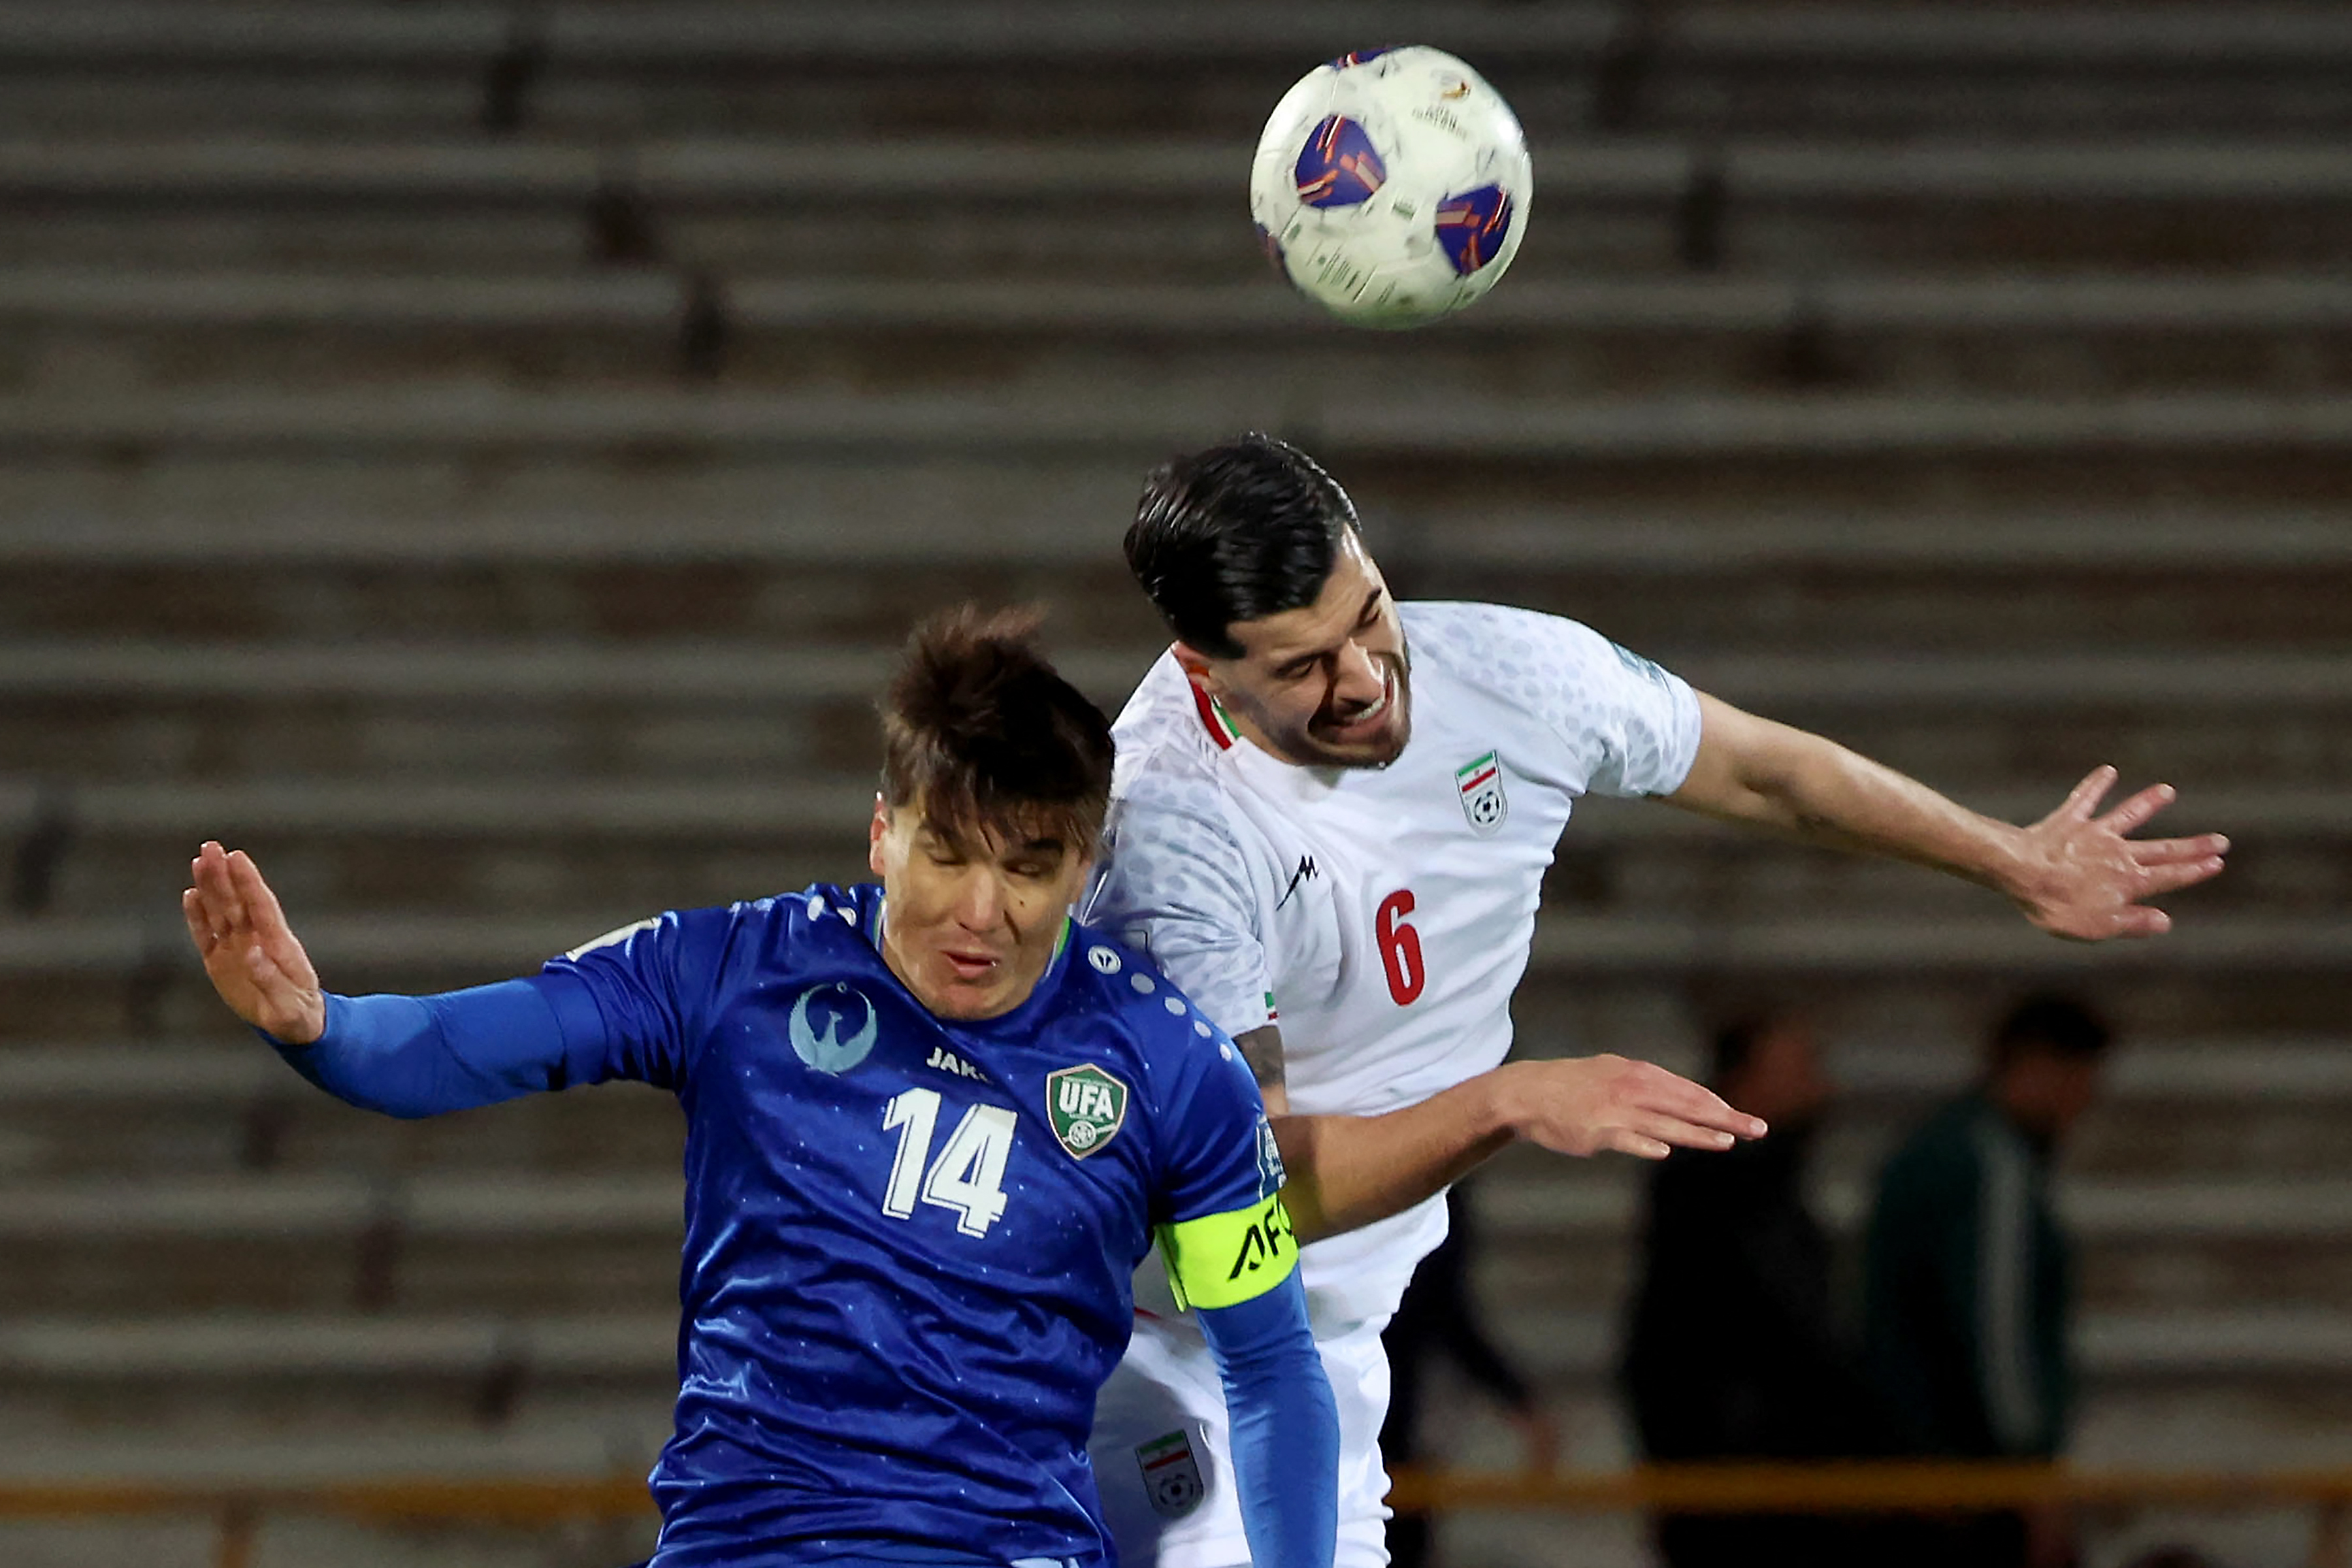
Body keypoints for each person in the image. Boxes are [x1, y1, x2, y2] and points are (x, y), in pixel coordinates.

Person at [1079, 433, 2227, 1568]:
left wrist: (2010, 858)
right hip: (1156, 1351)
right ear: (1203, 672)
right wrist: (1506, 1103)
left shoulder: (1506, 672)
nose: (1368, 679)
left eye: (1367, 613)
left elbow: (1763, 770)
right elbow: (1236, 1205)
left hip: (1326, 1342)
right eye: (1303, 667)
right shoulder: (1170, 839)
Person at [180, 607, 1342, 1568]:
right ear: (882, 833)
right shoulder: (739, 971)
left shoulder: (1173, 1069)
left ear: (1083, 868)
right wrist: (319, 1026)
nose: (983, 912)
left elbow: (1271, 1365)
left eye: (1030, 869)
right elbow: (461, 1044)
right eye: (947, 853)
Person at [1622, 1011, 1882, 1568]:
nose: (1820, 1087)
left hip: (1764, 1472)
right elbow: (1776, 1330)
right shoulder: (1718, 1191)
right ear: (1741, 1083)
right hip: (1743, 1478)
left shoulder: (1762, 1187)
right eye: (1799, 1069)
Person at [1863, 994, 2114, 1568]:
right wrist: (2028, 1469)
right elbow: (1996, 1328)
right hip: (1969, 1477)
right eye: (2080, 1080)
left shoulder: (1942, 1150)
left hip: (1927, 1463)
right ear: (2037, 1065)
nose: (2085, 1103)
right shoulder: (1988, 1164)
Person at [1378, 1181, 1557, 1568]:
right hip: (1363, 1433)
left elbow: (1441, 1312)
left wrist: (1517, 1400)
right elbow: (1441, 1313)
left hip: (1381, 1438)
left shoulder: (1435, 1194)